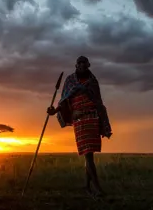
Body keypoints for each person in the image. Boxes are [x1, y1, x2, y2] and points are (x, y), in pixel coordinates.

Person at [47, 55, 112, 198]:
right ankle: (97, 189)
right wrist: (54, 111)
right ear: (76, 65)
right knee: (88, 155)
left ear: (88, 65)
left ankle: (87, 187)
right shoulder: (70, 81)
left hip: (93, 118)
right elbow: (64, 101)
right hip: (80, 120)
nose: (82, 65)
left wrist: (102, 120)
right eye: (79, 63)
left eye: (84, 63)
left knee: (89, 155)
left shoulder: (93, 82)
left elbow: (98, 101)